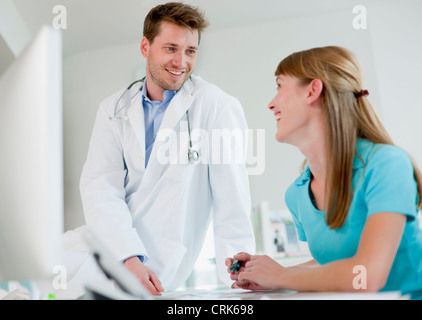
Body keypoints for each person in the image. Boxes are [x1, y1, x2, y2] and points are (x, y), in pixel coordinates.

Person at [79, 2, 255, 295]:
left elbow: (232, 202)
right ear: (145, 47)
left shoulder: (216, 106)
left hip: (162, 266)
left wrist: (240, 279)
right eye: (171, 48)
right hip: (111, 249)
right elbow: (101, 188)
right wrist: (128, 257)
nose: (181, 62)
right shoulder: (113, 109)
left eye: (190, 51)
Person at [226, 46, 422, 294]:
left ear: (312, 90)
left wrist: (282, 276)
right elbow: (332, 264)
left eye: (279, 86)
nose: (271, 104)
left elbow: (366, 276)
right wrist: (266, 276)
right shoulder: (296, 194)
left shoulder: (386, 165)